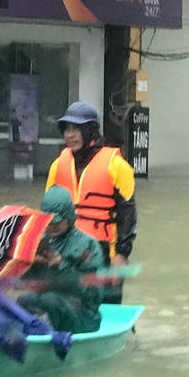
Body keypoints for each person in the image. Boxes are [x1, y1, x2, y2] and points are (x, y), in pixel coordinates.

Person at [45, 101, 136, 299]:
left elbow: (128, 216)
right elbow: (47, 214)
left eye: (76, 129)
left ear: (91, 131)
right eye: (67, 129)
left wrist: (121, 255)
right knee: (70, 302)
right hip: (68, 251)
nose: (70, 135)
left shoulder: (117, 166)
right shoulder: (57, 165)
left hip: (105, 251)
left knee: (106, 305)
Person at [16, 186, 105, 333]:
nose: (52, 226)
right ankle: (31, 335)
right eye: (48, 222)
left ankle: (45, 338)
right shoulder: (42, 241)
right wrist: (30, 264)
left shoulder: (88, 245)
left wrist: (61, 266)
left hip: (84, 315)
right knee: (25, 300)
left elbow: (93, 294)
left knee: (49, 300)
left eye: (57, 221)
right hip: (53, 306)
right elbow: (27, 283)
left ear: (68, 216)